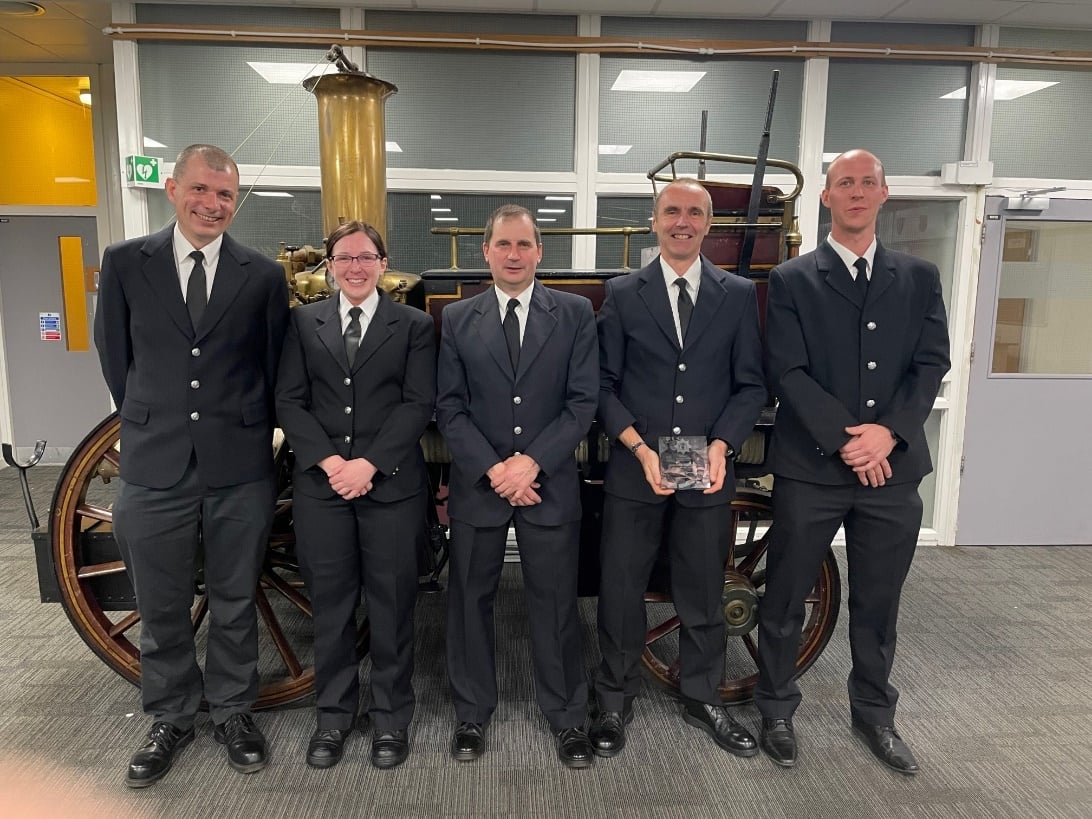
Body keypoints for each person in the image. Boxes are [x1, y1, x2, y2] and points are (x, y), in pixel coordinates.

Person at [94, 144, 290, 787]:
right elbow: (115, 357)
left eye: (225, 194)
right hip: (155, 463)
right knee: (161, 601)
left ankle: (233, 711)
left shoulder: (262, 275)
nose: (212, 204)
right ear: (173, 189)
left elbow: (271, 365)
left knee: (235, 597)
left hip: (239, 464)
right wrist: (156, 417)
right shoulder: (126, 262)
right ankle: (171, 716)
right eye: (201, 190)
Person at [754, 149, 950, 774]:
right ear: (827, 197)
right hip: (811, 468)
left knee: (878, 603)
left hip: (892, 471)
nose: (857, 192)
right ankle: (776, 709)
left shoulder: (919, 277)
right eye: (845, 183)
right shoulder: (792, 279)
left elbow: (931, 364)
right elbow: (786, 369)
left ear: (884, 194)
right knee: (785, 597)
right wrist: (848, 440)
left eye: (868, 183)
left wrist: (887, 434)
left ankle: (874, 714)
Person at [592, 178, 767, 759]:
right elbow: (602, 386)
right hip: (635, 464)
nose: (682, 221)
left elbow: (750, 385)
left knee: (702, 590)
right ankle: (614, 698)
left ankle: (703, 696)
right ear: (654, 220)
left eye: (694, 212)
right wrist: (640, 449)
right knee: (620, 589)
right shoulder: (623, 293)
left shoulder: (737, 294)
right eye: (672, 211)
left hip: (706, 466)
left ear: (708, 224)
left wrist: (723, 445)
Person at [436, 204, 599, 768]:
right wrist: (496, 471)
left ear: (539, 252)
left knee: (555, 603)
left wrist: (531, 464)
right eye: (503, 244)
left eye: (523, 244)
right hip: (480, 486)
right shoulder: (458, 318)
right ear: (485, 251)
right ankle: (471, 713)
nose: (513, 254)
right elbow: (449, 408)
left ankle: (567, 716)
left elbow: (583, 401)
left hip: (547, 484)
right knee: (468, 601)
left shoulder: (575, 313)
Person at [275, 221, 435, 771]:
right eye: (344, 258)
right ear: (329, 266)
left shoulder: (413, 325)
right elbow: (289, 401)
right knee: (331, 607)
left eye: (366, 257)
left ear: (383, 264)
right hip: (322, 489)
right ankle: (333, 717)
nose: (355, 267)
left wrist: (368, 464)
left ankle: (391, 718)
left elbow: (418, 403)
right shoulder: (302, 322)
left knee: (392, 607)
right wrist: (330, 463)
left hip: (391, 486)